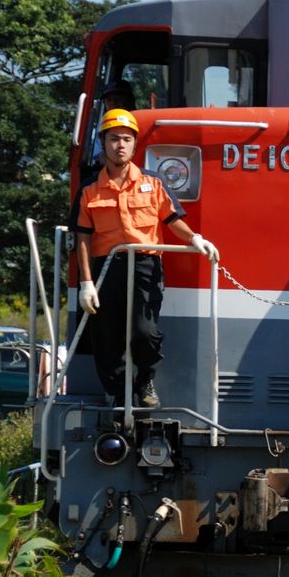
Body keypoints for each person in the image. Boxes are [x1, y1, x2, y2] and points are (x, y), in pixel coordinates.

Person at [72, 109, 219, 408]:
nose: (120, 145)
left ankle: (144, 382)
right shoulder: (88, 190)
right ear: (104, 142)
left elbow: (172, 218)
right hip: (106, 268)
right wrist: (86, 282)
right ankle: (116, 392)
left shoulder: (153, 183)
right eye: (114, 139)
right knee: (106, 336)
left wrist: (194, 238)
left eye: (126, 139)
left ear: (135, 144)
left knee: (146, 332)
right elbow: (82, 239)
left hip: (145, 266)